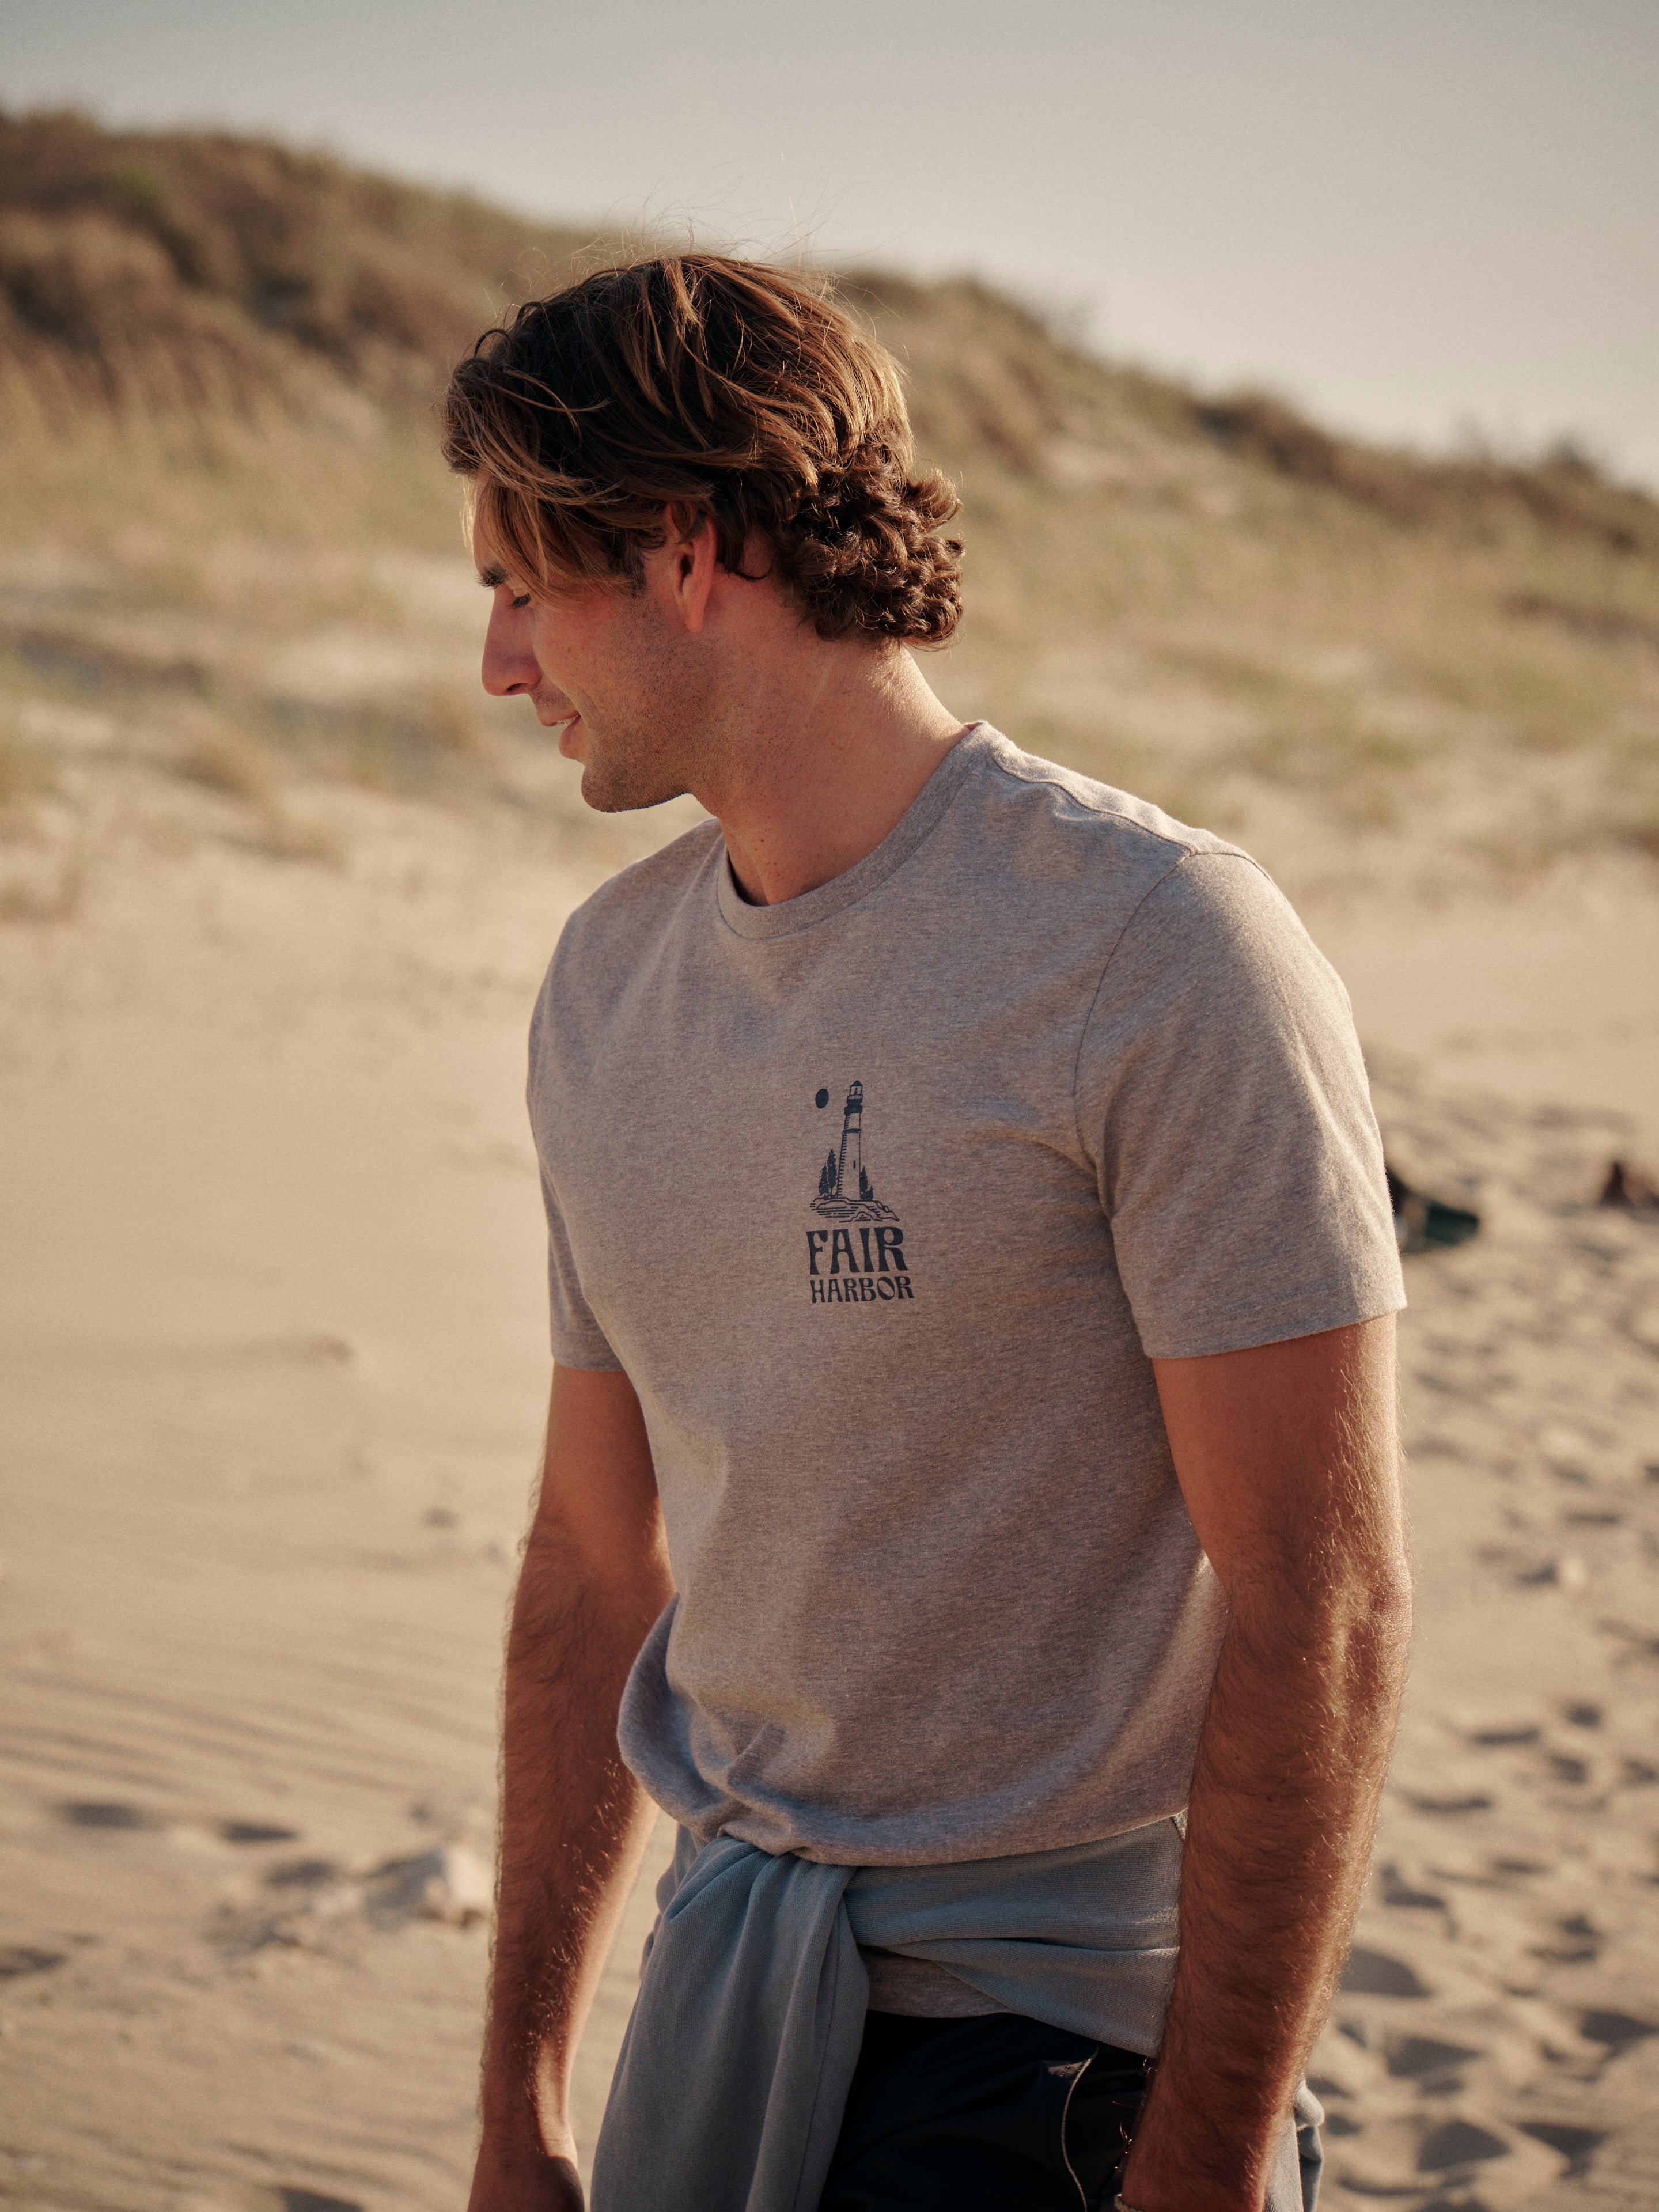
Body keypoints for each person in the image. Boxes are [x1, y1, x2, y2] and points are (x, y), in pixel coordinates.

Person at [441, 253, 1412, 2212]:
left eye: (522, 584)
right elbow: (589, 1564)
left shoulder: (1153, 949)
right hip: (721, 2027)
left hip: (1062, 2077)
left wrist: (1205, 2170)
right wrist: (519, 2105)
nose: (498, 666)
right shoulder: (603, 990)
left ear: (688, 549)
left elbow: (1322, 1609)